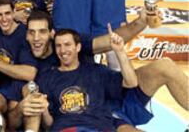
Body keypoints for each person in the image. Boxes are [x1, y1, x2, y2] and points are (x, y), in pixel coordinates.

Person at [10, 11, 189, 131]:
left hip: (106, 99)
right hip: (87, 113)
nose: (36, 38)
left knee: (165, 65)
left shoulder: (89, 62)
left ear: (51, 33)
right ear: (26, 35)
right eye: (31, 33)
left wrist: (141, 23)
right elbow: (33, 98)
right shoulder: (33, 63)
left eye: (41, 32)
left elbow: (112, 43)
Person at [0, 0, 37, 126]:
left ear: (14, 13)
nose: (4, 19)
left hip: (23, 86)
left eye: (7, 13)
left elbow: (29, 73)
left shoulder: (25, 33)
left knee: (25, 101)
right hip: (2, 88)